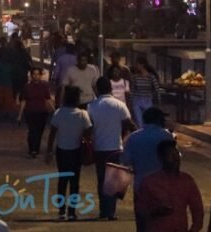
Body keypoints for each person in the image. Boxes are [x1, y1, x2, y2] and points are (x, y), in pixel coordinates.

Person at [121, 107, 176, 232]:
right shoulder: (166, 136)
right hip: (163, 186)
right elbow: (173, 160)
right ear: (159, 120)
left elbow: (125, 161)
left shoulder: (134, 138)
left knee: (143, 225)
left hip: (141, 187)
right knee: (163, 222)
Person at [88, 76, 135, 220]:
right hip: (115, 147)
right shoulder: (119, 105)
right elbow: (129, 124)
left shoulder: (91, 106)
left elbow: (88, 127)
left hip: (99, 147)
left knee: (101, 179)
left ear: (97, 89)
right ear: (110, 88)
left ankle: (103, 210)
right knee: (113, 181)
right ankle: (111, 211)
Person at [45, 86, 92, 221]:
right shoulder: (83, 114)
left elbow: (52, 133)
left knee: (62, 180)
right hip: (77, 150)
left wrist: (49, 151)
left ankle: (61, 211)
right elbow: (88, 133)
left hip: (62, 150)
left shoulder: (59, 113)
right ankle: (72, 211)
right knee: (74, 181)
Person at [19, 67, 55, 158]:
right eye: (34, 74)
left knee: (39, 131)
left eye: (38, 74)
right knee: (32, 130)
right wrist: (20, 115)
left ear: (40, 75)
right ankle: (32, 149)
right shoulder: (27, 87)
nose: (36, 76)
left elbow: (48, 99)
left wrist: (54, 110)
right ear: (31, 75)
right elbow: (23, 101)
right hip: (30, 111)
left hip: (42, 112)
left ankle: (36, 148)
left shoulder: (44, 86)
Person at [128, 57, 161, 129]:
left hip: (148, 100)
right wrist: (130, 102)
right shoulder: (135, 77)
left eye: (137, 64)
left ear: (142, 65)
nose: (136, 66)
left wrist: (158, 102)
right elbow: (133, 90)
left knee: (148, 122)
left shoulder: (151, 77)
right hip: (137, 101)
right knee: (139, 123)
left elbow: (157, 90)